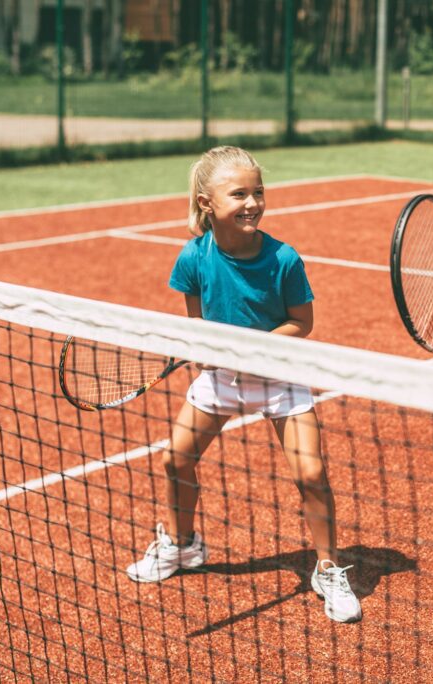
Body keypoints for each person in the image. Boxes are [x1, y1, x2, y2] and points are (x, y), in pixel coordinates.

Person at [125, 146, 361, 624]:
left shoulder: (283, 259)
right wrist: (206, 348)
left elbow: (302, 322)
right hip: (221, 380)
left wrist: (255, 347)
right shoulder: (193, 257)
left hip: (278, 378)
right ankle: (182, 544)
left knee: (311, 475)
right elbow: (199, 326)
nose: (252, 202)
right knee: (177, 459)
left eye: (258, 192)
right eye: (239, 194)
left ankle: (329, 568)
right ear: (207, 202)